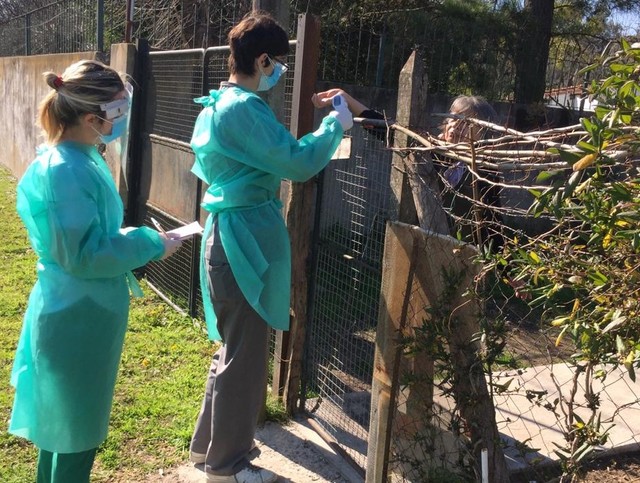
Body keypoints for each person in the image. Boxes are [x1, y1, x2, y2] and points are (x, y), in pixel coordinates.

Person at [188, 11, 352, 483]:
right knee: (245, 357)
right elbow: (297, 162)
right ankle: (227, 465)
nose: (278, 72)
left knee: (232, 351)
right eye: (276, 63)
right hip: (244, 244)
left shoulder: (217, 104)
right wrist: (334, 125)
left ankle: (208, 450)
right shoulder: (243, 109)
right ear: (261, 59)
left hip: (229, 234)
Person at [8, 59, 182, 483]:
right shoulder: (65, 169)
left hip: (80, 312)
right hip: (75, 318)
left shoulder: (80, 157)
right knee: (74, 437)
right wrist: (150, 244)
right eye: (119, 112)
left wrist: (135, 238)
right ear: (91, 118)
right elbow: (83, 255)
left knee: (63, 433)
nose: (122, 120)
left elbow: (88, 233)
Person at [313, 90, 502, 248]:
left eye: (467, 123)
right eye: (454, 117)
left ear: (481, 134)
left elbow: (492, 223)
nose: (456, 125)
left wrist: (509, 274)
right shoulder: (425, 146)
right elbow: (385, 128)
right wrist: (345, 98)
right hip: (414, 240)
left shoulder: (484, 172)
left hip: (457, 253)